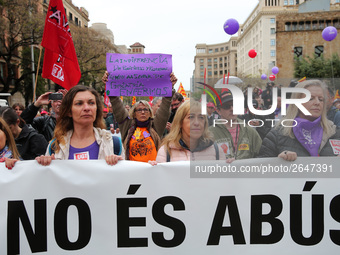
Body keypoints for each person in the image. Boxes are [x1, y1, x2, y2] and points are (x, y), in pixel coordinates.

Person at [34, 85, 123, 166]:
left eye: (91, 103)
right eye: (79, 103)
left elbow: (124, 180)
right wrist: (43, 165)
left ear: (96, 109)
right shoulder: (55, 147)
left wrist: (119, 165)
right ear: (69, 111)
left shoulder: (113, 144)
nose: (86, 108)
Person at [102, 71, 178, 162]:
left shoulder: (156, 125)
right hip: (132, 171)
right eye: (139, 110)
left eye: (146, 110)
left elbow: (165, 107)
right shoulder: (127, 124)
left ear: (150, 113)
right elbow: (117, 104)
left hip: (153, 170)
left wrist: (169, 87)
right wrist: (110, 84)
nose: (143, 112)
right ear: (134, 113)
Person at [259, 80, 340, 160]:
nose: (317, 102)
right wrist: (278, 161)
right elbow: (261, 168)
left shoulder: (335, 133)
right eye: (310, 98)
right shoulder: (278, 134)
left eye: (321, 99)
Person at [155, 100, 225, 162]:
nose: (197, 123)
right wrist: (152, 169)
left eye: (201, 117)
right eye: (191, 117)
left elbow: (223, 176)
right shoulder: (166, 151)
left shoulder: (216, 150)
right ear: (180, 122)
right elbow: (159, 176)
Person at [209, 91, 262, 160]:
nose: (232, 109)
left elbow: (262, 156)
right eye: (226, 106)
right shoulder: (209, 133)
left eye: (234, 105)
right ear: (218, 110)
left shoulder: (249, 131)